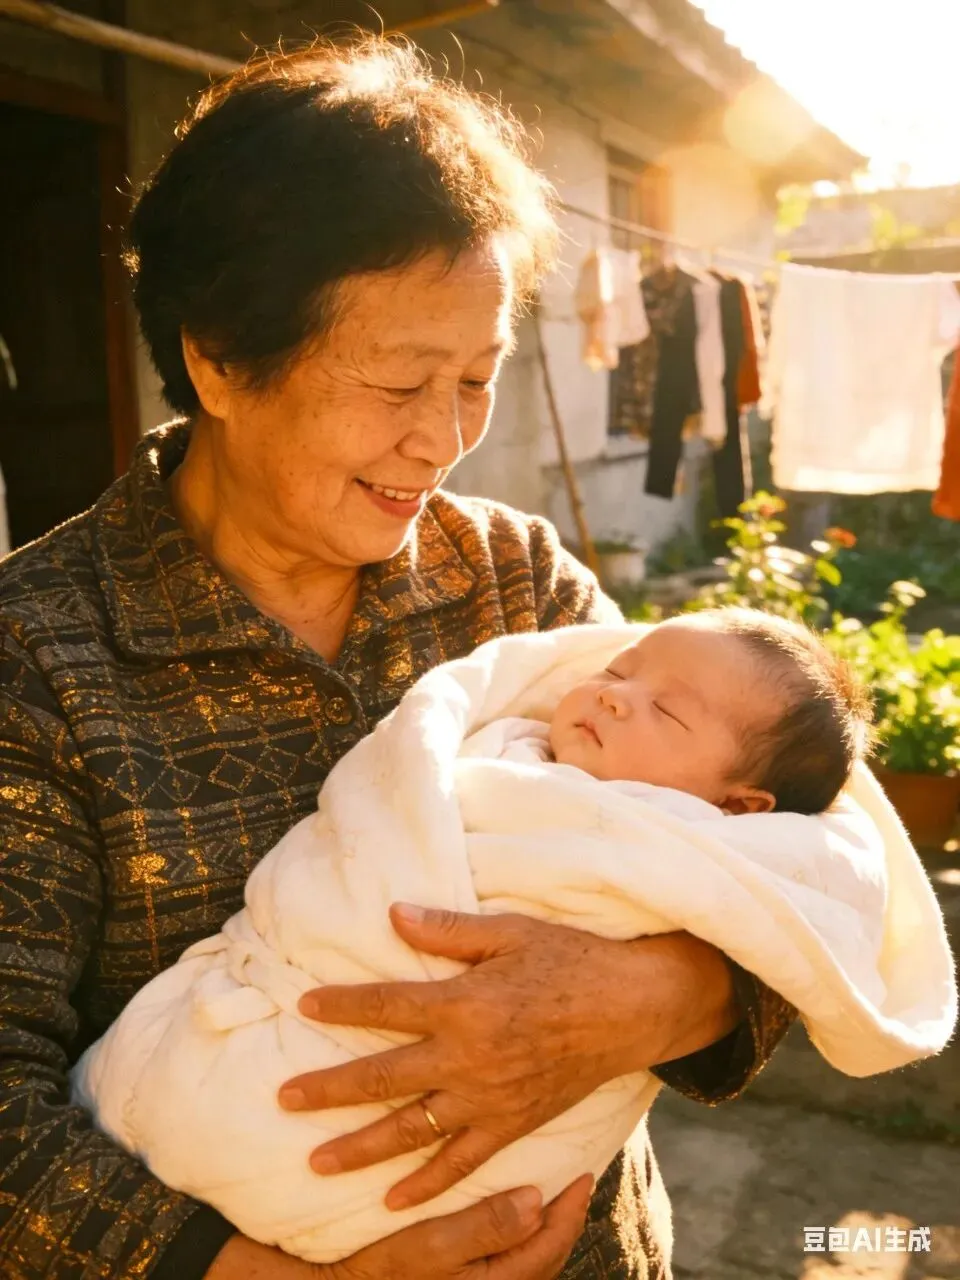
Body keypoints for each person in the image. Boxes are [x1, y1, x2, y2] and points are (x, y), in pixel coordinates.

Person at [0, 37, 805, 1280]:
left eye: (477, 377)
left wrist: (657, 997)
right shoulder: (41, 656)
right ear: (217, 357)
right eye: (397, 380)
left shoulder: (515, 579)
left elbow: (805, 843)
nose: (442, 439)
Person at [72, 604, 953, 1269]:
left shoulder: (702, 837)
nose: (613, 688)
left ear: (738, 806)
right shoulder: (49, 639)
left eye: (666, 712)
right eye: (622, 668)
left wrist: (665, 991)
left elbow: (804, 926)